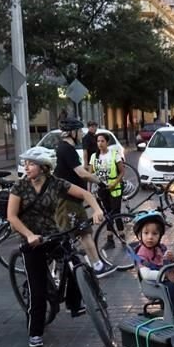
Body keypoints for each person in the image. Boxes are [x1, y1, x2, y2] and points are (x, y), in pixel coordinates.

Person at [6, 146, 106, 347]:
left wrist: (96, 211)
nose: (27, 167)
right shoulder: (19, 187)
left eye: (31, 164)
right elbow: (12, 216)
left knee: (74, 260)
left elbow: (86, 195)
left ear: (44, 167)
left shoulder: (56, 183)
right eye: (26, 163)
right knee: (38, 289)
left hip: (53, 234)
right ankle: (35, 332)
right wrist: (29, 235)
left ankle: (75, 304)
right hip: (32, 240)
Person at [54, 117, 114, 278]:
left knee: (74, 234)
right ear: (72, 132)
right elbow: (80, 173)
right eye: (79, 131)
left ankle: (83, 265)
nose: (81, 134)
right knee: (83, 233)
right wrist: (98, 181)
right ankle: (96, 266)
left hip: (72, 198)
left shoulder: (66, 148)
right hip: (68, 200)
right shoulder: (66, 149)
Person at [131, 211, 174, 326]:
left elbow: (168, 262)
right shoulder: (141, 254)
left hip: (164, 278)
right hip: (152, 284)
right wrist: (164, 274)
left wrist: (172, 259)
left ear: (160, 236)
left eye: (154, 234)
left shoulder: (160, 248)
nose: (150, 237)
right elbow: (146, 274)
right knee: (170, 287)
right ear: (139, 235)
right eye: (146, 233)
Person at [90, 130, 126, 250]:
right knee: (107, 214)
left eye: (102, 141)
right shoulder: (94, 157)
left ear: (107, 142)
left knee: (116, 213)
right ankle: (110, 240)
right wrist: (92, 190)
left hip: (115, 188)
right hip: (102, 189)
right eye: (98, 141)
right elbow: (90, 174)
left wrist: (114, 183)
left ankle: (122, 237)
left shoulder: (114, 154)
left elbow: (122, 172)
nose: (100, 143)